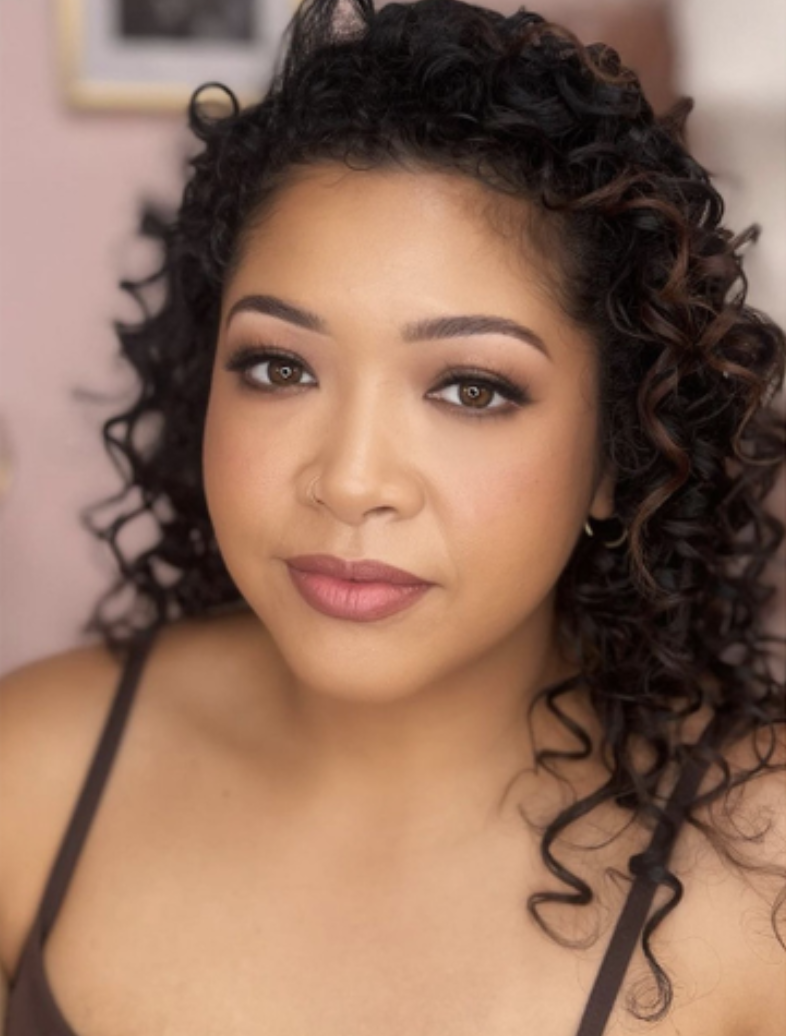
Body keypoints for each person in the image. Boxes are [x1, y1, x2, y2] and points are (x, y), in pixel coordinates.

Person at [1, 0, 784, 1032]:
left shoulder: (761, 873)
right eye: (279, 367)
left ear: (618, 454)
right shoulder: (31, 771)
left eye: (471, 387)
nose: (351, 478)